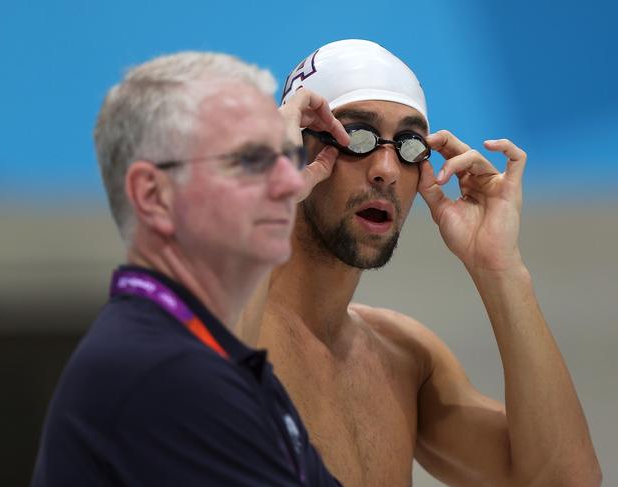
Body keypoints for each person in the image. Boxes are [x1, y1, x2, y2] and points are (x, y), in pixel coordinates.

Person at [240, 39, 602, 486]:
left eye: (410, 144)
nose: (387, 170)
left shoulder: (404, 358)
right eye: (356, 136)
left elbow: (565, 481)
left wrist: (500, 269)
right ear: (292, 151)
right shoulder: (218, 331)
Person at [31, 51, 350, 486]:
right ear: (153, 195)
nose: (291, 183)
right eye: (250, 161)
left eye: (285, 158)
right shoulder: (162, 376)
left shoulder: (205, 360)